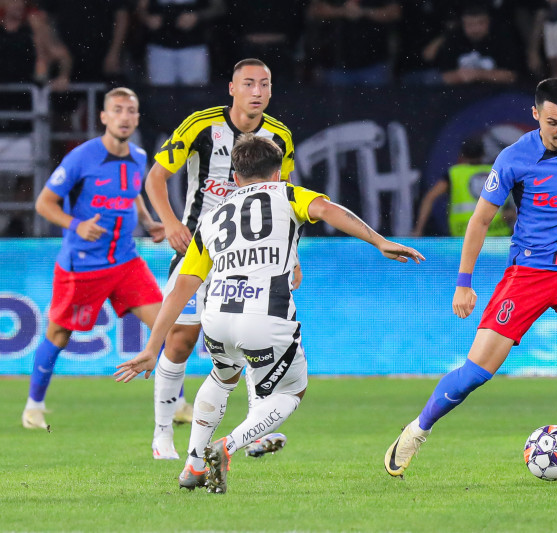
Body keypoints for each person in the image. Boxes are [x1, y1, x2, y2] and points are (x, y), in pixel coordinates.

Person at [384, 78, 557, 483]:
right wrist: (463, 282)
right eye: (553, 122)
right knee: (476, 372)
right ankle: (416, 431)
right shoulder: (514, 158)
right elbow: (481, 219)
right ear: (536, 115)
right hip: (528, 276)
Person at [115, 134, 425, 493]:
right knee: (293, 390)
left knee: (222, 375)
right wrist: (379, 240)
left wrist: (153, 347)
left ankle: (193, 464)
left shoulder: (213, 216)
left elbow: (182, 287)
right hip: (265, 314)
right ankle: (226, 447)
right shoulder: (288, 194)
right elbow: (328, 210)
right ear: (278, 172)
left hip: (217, 315)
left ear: (235, 175)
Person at [144, 58, 297, 461]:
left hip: (251, 257)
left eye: (265, 84)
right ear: (232, 88)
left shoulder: (280, 136)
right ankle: (162, 435)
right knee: (181, 339)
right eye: (249, 84)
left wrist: (292, 255)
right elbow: (155, 177)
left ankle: (255, 428)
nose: (258, 92)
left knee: (250, 338)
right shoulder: (201, 124)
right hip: (200, 247)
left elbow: (286, 199)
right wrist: (171, 222)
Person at [21, 87, 165, 430]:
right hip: (83, 266)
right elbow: (44, 204)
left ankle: (174, 404)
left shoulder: (140, 157)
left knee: (167, 327)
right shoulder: (80, 158)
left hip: (127, 262)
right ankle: (33, 407)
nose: (125, 117)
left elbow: (133, 193)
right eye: (117, 110)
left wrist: (147, 221)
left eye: (131, 111)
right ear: (103, 117)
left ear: (137, 117)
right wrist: (76, 225)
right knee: (58, 336)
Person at [412, 137, 514, 237]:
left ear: (462, 155)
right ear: (483, 154)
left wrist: (419, 229)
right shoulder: (496, 172)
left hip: (464, 237)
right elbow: (520, 196)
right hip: (497, 237)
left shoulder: (455, 173)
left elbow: (430, 197)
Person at [436, 4, 522, 86]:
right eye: (470, 24)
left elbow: (511, 76)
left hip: (497, 94)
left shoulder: (501, 39)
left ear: (488, 22)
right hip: (459, 95)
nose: (475, 29)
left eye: (480, 23)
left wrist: (478, 74)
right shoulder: (454, 39)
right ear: (463, 24)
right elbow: (443, 77)